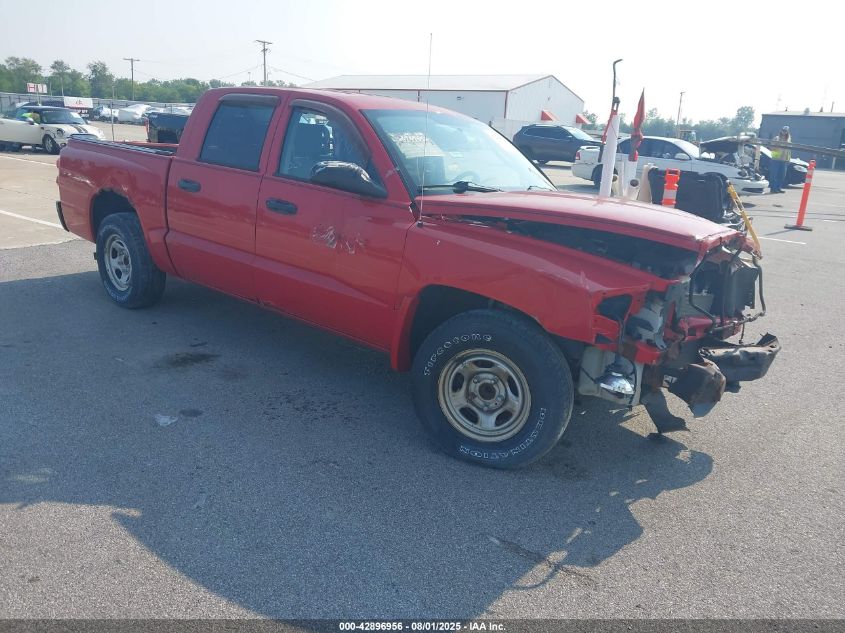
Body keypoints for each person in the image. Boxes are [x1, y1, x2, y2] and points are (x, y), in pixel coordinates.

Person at [769, 125, 792, 193]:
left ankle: (778, 188)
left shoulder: (788, 140)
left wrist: (788, 159)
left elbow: (789, 151)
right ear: (781, 131)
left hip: (784, 160)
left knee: (782, 176)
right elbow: (772, 147)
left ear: (787, 132)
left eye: (785, 131)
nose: (784, 132)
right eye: (783, 130)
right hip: (776, 159)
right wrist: (776, 147)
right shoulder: (777, 138)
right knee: (774, 175)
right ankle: (773, 188)